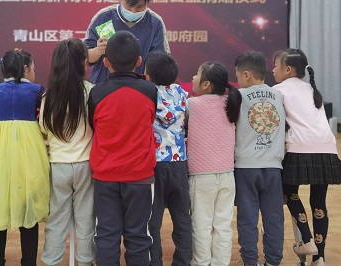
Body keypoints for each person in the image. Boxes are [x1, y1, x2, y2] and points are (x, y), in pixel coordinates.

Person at [272, 48, 341, 266]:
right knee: (319, 202)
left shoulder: (278, 90)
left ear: (288, 70)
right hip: (327, 149)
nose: (273, 70)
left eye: (276, 65)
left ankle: (306, 239)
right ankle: (319, 257)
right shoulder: (311, 89)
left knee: (289, 192)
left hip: (300, 147)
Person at [88, 30, 157, 266]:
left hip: (105, 176)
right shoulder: (150, 90)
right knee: (138, 235)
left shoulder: (96, 93)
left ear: (106, 62)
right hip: (140, 176)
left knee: (106, 235)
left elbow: (94, 125)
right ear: (139, 61)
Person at [0, 49, 50, 266]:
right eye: (33, 68)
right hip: (29, 152)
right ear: (25, 69)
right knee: (28, 205)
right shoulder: (37, 91)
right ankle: (29, 262)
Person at [39, 39, 95, 266]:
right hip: (86, 165)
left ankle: (51, 261)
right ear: (82, 63)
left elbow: (44, 128)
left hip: (58, 165)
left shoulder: (48, 96)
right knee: (86, 219)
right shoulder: (90, 91)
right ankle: (85, 261)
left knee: (56, 220)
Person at [187, 61, 242, 266]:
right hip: (227, 174)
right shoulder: (231, 103)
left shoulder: (192, 104)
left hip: (201, 176)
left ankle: (201, 262)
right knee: (223, 226)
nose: (193, 77)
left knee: (201, 225)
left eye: (196, 73)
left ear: (206, 84)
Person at [234, 51, 286, 266]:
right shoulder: (279, 95)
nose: (237, 80)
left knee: (247, 218)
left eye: (237, 75)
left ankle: (250, 261)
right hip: (274, 166)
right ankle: (273, 261)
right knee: (274, 217)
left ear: (246, 75)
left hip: (246, 167)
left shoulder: (238, 96)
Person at [143, 51, 192, 266]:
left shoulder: (147, 93)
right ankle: (183, 262)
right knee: (182, 220)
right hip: (179, 163)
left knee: (152, 222)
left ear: (148, 75)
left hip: (155, 165)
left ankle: (155, 262)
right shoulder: (181, 93)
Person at [85, 0, 170, 84]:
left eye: (140, 7)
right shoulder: (104, 18)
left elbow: (160, 62)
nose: (133, 11)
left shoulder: (155, 23)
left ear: (148, 2)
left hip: (139, 88)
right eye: (129, 6)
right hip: (103, 86)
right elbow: (86, 58)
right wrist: (98, 51)